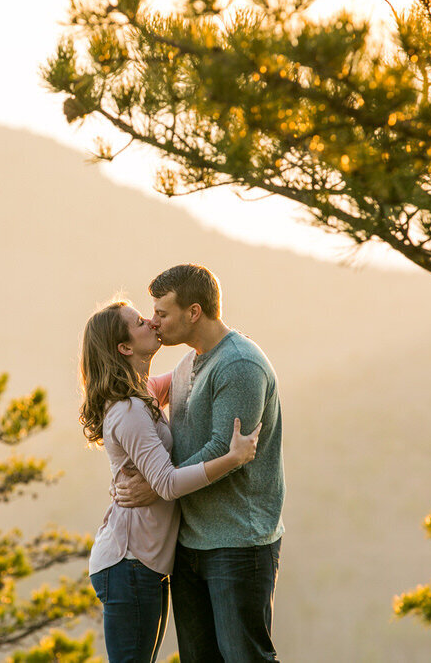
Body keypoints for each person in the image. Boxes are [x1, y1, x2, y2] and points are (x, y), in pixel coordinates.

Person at [114, 264, 286, 663]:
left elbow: (221, 451)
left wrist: (156, 484)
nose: (154, 322)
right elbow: (139, 396)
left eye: (162, 313)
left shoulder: (239, 366)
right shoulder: (188, 365)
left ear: (194, 312)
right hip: (190, 542)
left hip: (237, 542)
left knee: (245, 657)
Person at [79, 299, 262, 663]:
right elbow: (167, 484)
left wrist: (225, 339)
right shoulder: (129, 411)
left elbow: (186, 371)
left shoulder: (141, 393)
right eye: (140, 322)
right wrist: (233, 459)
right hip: (128, 564)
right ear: (125, 347)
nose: (151, 322)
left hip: (143, 564)